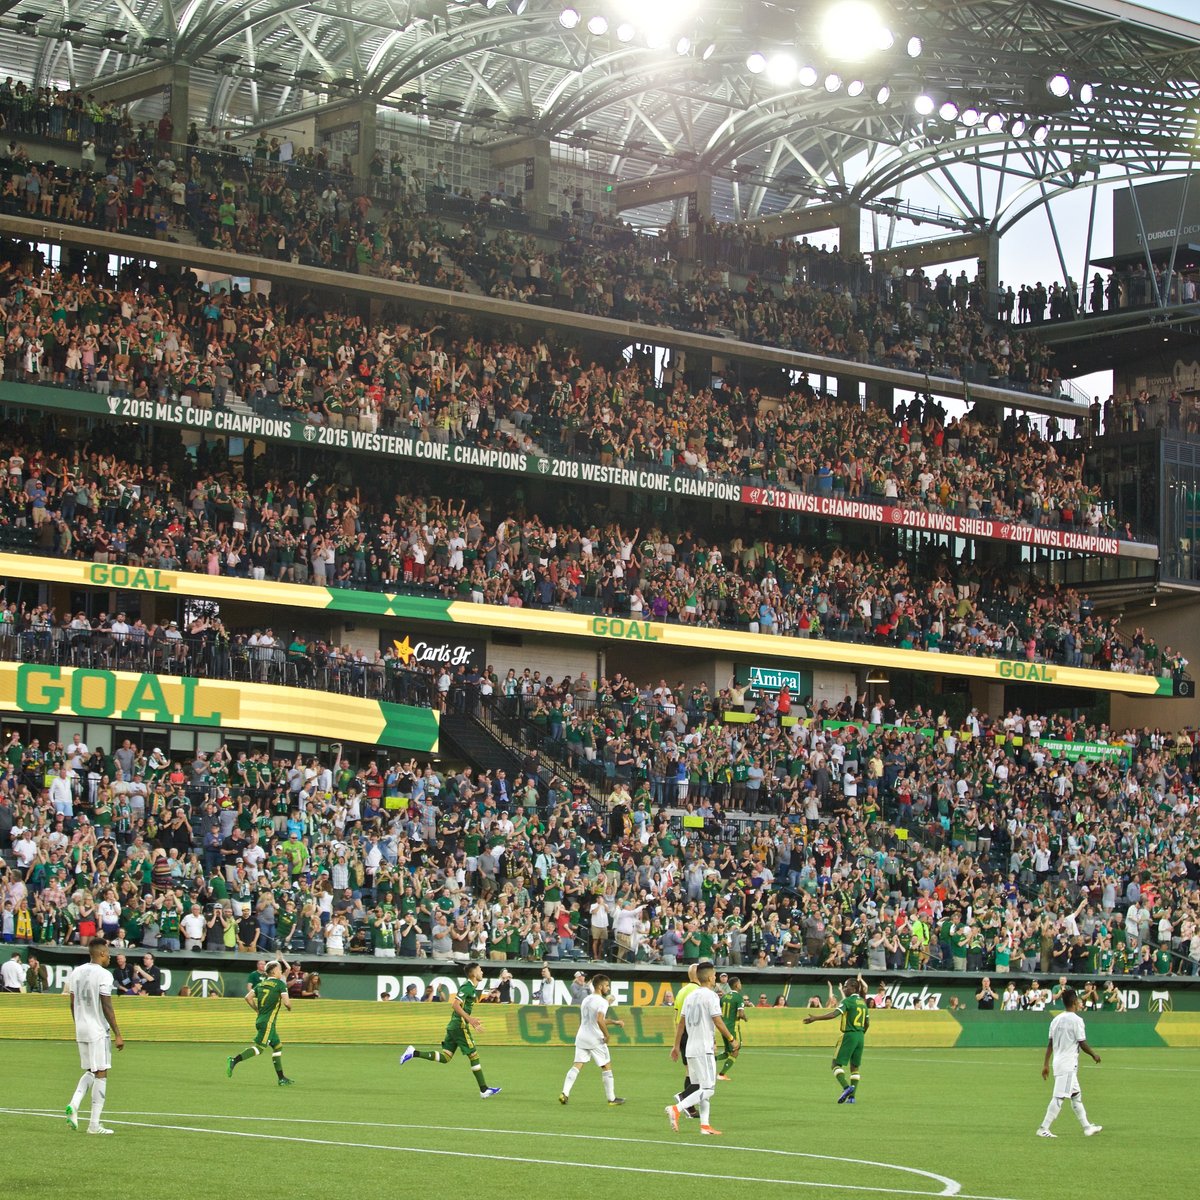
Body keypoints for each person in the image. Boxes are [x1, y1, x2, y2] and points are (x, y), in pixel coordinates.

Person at [399, 962, 501, 1097]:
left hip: (454, 1026)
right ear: (474, 973)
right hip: (459, 1025)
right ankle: (484, 1089)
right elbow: (455, 1005)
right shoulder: (467, 986)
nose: (482, 972)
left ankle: (413, 1052)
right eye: (480, 970)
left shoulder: (471, 987)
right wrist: (470, 1020)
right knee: (473, 1055)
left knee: (446, 1057)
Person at [666, 962, 738, 1136]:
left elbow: (681, 1023)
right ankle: (677, 1107)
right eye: (714, 975)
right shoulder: (711, 996)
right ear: (708, 977)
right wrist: (731, 1039)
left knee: (700, 1087)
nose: (715, 977)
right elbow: (718, 1020)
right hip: (703, 1049)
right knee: (709, 1089)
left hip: (690, 1048)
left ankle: (705, 1126)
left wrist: (676, 1046)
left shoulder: (690, 996)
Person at [64, 937, 125, 1135]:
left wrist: (78, 1023)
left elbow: (72, 1003)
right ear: (100, 954)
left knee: (91, 1070)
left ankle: (74, 1104)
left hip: (81, 1028)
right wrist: (118, 1033)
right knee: (102, 1072)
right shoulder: (104, 975)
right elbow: (107, 1005)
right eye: (108, 954)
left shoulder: (77, 972)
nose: (109, 957)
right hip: (97, 1029)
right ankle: (94, 1125)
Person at [1037, 986, 1102, 1138]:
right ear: (1074, 1002)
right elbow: (1082, 1043)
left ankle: (1087, 1127)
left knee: (1076, 1096)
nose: (1080, 1003)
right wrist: (1094, 1054)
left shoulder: (1056, 1020)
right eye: (1078, 1000)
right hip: (1067, 1065)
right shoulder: (1077, 1020)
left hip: (1059, 1062)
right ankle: (1043, 1128)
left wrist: (1046, 1064)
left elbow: (1050, 1044)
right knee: (1059, 1097)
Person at [559, 973, 625, 1106]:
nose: (608, 988)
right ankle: (611, 1098)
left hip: (582, 1037)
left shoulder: (587, 999)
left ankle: (564, 1093)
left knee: (577, 1065)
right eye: (606, 985)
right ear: (600, 986)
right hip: (595, 1039)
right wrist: (607, 1035)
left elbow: (594, 1019)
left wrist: (615, 1022)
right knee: (606, 1066)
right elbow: (599, 1020)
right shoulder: (602, 1002)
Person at [226, 959, 295, 1086]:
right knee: (259, 1048)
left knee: (278, 1046)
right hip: (268, 1023)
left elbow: (248, 997)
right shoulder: (280, 984)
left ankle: (281, 1078)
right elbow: (286, 1003)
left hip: (262, 1020)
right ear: (274, 972)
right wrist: (290, 1007)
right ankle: (234, 1060)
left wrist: (257, 1010)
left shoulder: (260, 985)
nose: (281, 972)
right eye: (279, 970)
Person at [804, 977, 869, 1104]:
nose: (844, 989)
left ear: (854, 988)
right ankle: (852, 1098)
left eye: (846, 986)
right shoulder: (862, 1002)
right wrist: (860, 1034)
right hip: (860, 1036)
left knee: (835, 1064)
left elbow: (834, 1014)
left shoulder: (848, 1001)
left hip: (849, 1035)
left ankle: (846, 1088)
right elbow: (867, 1023)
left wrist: (816, 1018)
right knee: (854, 1067)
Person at [718, 974, 746, 1080]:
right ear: (736, 985)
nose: (741, 985)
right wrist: (745, 1018)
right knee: (736, 1050)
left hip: (723, 1027)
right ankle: (721, 1074)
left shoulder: (725, 996)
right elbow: (741, 1014)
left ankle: (709, 1059)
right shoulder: (738, 997)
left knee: (727, 1052)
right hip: (733, 1028)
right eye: (739, 983)